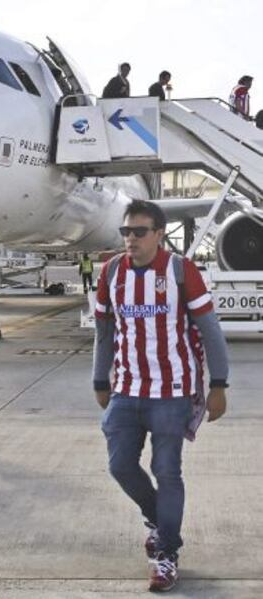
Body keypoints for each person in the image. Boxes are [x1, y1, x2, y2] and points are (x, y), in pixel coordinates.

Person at [93, 200, 228, 592]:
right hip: (127, 390)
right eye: (126, 232)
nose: (130, 239)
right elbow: (104, 332)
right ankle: (159, 518)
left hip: (172, 394)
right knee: (120, 466)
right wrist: (100, 381)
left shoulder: (181, 271)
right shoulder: (112, 272)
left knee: (167, 471)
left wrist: (219, 384)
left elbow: (210, 331)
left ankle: (166, 552)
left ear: (158, 234)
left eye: (139, 232)